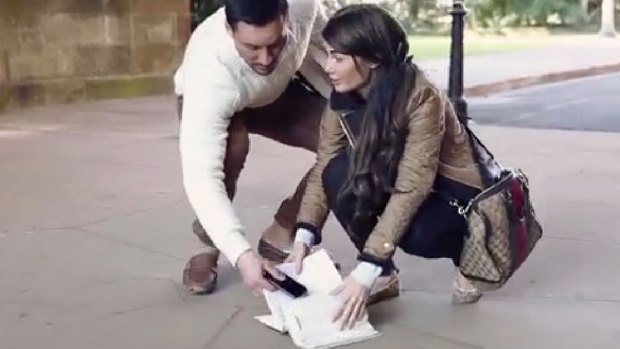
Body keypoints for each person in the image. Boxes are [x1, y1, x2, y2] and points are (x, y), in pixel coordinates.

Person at [286, 4, 487, 329]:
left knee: (416, 233)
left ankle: (467, 255)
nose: (329, 66)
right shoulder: (343, 96)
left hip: (449, 192)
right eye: (329, 55)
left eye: (338, 57)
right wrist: (303, 236)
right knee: (337, 174)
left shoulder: (421, 96)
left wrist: (364, 267)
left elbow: (413, 185)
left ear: (373, 59)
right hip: (395, 176)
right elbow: (324, 166)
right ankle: (386, 275)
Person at [175, 0, 332, 296]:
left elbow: (328, 44)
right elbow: (201, 178)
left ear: (287, 16)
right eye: (251, 47)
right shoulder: (208, 70)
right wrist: (242, 254)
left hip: (275, 93)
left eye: (275, 44)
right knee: (231, 151)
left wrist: (353, 107)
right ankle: (207, 243)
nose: (265, 58)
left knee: (350, 143)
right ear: (229, 29)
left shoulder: (304, 6)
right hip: (225, 93)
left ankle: (281, 234)